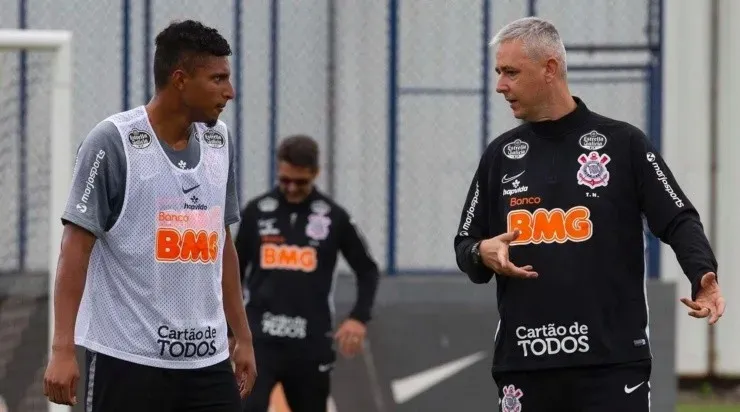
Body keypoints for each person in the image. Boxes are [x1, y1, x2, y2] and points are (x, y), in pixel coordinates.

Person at [454, 17, 725, 412]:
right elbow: (466, 245)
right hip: (525, 365)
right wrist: (482, 252)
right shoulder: (500, 155)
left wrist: (703, 274)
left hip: (611, 365)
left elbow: (678, 217)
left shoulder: (623, 144)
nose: (500, 86)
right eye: (499, 73)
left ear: (549, 69)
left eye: (511, 72)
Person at [42, 20, 257, 411]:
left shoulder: (218, 140)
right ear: (180, 80)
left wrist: (242, 336)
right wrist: (62, 347)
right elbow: (74, 248)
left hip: (207, 364)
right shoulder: (112, 142)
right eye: (218, 79)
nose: (230, 91)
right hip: (128, 362)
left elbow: (221, 245)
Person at [233, 135, 380, 412]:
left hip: (309, 341)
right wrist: (232, 330)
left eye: (300, 182)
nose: (290, 188)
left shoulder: (333, 217)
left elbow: (368, 270)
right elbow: (233, 272)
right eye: (284, 179)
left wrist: (359, 318)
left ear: (315, 173)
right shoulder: (257, 212)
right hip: (261, 340)